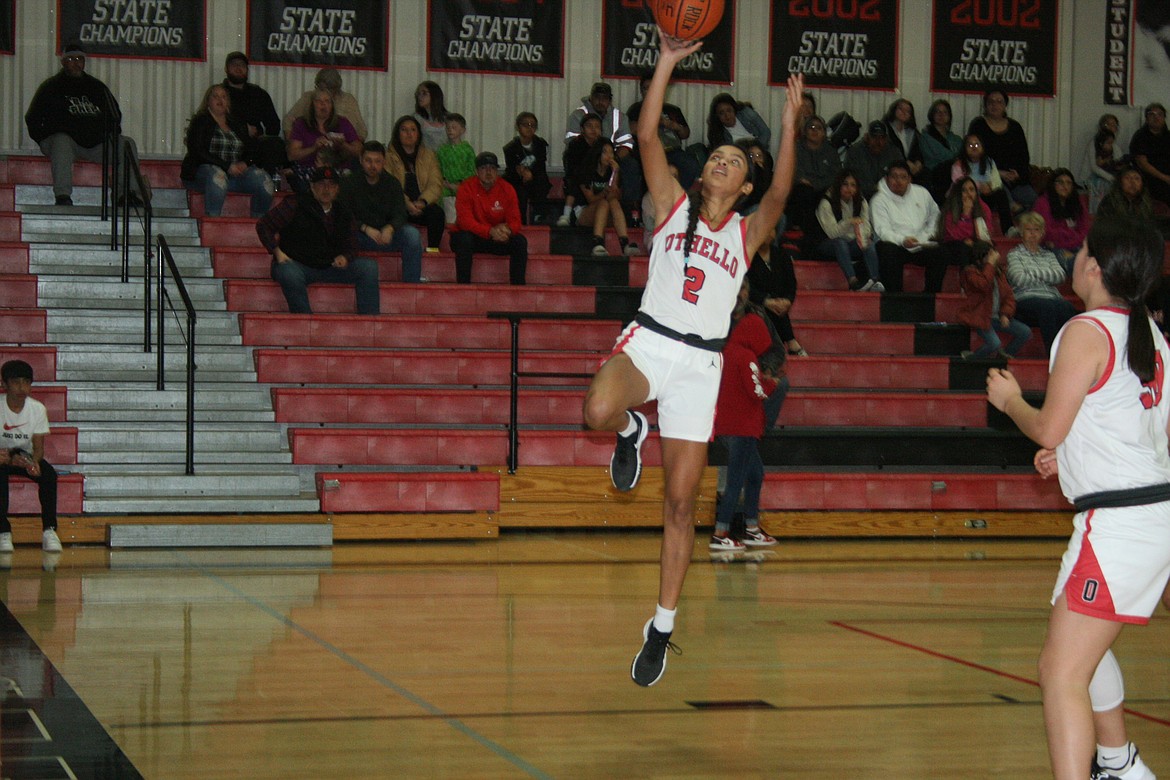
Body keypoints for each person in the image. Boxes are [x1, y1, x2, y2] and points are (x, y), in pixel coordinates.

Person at [580, 30, 802, 687]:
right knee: (596, 409)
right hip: (650, 340)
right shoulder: (674, 207)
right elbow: (647, 136)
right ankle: (631, 428)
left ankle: (662, 627)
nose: (723, 161)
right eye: (719, 155)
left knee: (680, 506)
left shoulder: (746, 230)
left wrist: (790, 126)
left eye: (735, 161)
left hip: (701, 367)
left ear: (745, 182)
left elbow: (784, 195)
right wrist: (667, 62)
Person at [986, 216, 1168, 780]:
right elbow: (1130, 426)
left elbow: (1046, 427)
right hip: (1146, 512)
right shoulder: (1151, 336)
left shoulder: (1086, 329)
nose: (1075, 255)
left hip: (1120, 525)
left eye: (1082, 248)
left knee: (1059, 672)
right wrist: (1071, 458)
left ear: (1094, 266)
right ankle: (1119, 763)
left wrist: (1011, 400)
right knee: (1084, 646)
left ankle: (1104, 769)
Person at [709, 279, 781, 551]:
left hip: (731, 425)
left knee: (755, 474)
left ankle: (751, 527)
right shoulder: (745, 355)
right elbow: (757, 391)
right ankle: (721, 532)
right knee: (737, 478)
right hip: (742, 427)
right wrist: (771, 382)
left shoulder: (728, 351)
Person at [24, 42, 142, 207]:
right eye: (71, 59)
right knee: (61, 140)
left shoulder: (97, 87)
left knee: (127, 144)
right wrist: (45, 136)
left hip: (94, 145)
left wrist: (106, 134)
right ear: (63, 62)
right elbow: (33, 118)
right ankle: (63, 196)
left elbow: (115, 116)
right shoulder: (50, 87)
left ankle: (126, 196)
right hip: (65, 144)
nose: (76, 62)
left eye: (80, 59)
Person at [256, 166, 379, 315]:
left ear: (337, 189)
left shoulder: (344, 212)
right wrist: (276, 251)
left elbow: (352, 244)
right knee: (288, 272)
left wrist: (346, 257)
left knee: (368, 267)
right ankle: (305, 322)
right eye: (321, 185)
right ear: (312, 187)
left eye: (331, 185)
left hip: (330, 266)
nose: (326, 189)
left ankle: (369, 322)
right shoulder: (295, 204)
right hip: (297, 264)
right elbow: (264, 225)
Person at [180, 84, 274, 218]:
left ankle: (258, 222)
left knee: (265, 182)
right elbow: (197, 151)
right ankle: (213, 220)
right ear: (208, 101)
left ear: (228, 102)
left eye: (224, 97)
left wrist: (246, 163)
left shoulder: (237, 123)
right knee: (218, 176)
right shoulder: (200, 121)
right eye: (215, 96)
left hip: (234, 174)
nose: (220, 100)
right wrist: (226, 166)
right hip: (203, 173)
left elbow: (252, 149)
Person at [338, 141, 424, 284]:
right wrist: (365, 228)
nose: (373, 166)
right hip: (359, 236)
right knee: (342, 233)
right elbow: (343, 214)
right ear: (361, 160)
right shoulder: (348, 183)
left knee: (412, 235)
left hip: (386, 235)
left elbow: (401, 213)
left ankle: (411, 284)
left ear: (384, 162)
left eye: (377, 161)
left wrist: (390, 228)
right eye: (368, 161)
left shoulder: (392, 183)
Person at [0, 360, 60, 554]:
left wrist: (34, 462)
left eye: (26, 382)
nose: (21, 388)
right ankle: (3, 532)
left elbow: (39, 447)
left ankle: (49, 530)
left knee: (49, 475)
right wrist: (6, 458)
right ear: (4, 384)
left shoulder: (37, 409)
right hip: (1, 455)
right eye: (16, 382)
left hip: (23, 455)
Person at [1006, 211, 1076, 356]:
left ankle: (1070, 354)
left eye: (1036, 230)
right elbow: (1019, 278)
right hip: (1024, 300)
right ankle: (1053, 355)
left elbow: (1060, 276)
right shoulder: (1014, 254)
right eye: (1028, 230)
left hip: (1051, 298)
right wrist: (1046, 275)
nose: (1033, 234)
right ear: (1021, 232)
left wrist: (1032, 272)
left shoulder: (1049, 255)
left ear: (1042, 233)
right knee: (1047, 307)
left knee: (1067, 307)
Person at [451, 152, 527, 285]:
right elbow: (464, 222)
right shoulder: (466, 188)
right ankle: (463, 287)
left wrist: (507, 230)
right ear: (476, 171)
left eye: (492, 168)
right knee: (464, 239)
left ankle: (518, 288)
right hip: (473, 236)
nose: (488, 172)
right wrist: (489, 231)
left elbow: (515, 221)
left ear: (497, 171)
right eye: (484, 168)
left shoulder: (507, 189)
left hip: (496, 237)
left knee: (520, 241)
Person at [871, 161, 947, 293]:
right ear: (887, 178)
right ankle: (895, 298)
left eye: (903, 177)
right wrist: (903, 240)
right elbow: (882, 230)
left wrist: (926, 236)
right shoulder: (878, 200)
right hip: (895, 244)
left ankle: (930, 297)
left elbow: (935, 215)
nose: (898, 181)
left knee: (941, 253)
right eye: (894, 176)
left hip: (921, 242)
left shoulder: (922, 193)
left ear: (909, 179)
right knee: (887, 250)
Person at [565, 82, 638, 215]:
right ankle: (576, 208)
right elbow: (573, 144)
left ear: (610, 100)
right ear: (590, 98)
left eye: (604, 98)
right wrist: (595, 158)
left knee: (631, 165)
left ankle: (630, 210)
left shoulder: (620, 117)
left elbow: (626, 146)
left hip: (611, 158)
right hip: (585, 157)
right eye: (597, 97)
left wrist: (611, 159)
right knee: (576, 162)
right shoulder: (578, 115)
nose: (600, 101)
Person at [809, 169, 882, 292]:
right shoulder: (826, 203)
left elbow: (867, 226)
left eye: (853, 185)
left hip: (852, 242)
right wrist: (849, 222)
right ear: (838, 185)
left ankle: (875, 280)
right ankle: (853, 281)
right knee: (840, 242)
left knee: (870, 242)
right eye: (845, 184)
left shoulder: (861, 201)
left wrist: (863, 238)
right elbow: (832, 233)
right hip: (827, 243)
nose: (849, 188)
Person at [627, 72, 702, 190]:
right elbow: (631, 129)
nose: (649, 91)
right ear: (641, 92)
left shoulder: (673, 109)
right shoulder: (636, 109)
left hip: (673, 151)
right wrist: (656, 122)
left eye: (653, 88)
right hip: (648, 151)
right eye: (646, 88)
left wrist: (674, 126)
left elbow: (685, 134)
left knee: (691, 164)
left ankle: (679, 198)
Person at [957, 242, 1031, 359]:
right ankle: (971, 358)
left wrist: (1005, 314)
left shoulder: (999, 273)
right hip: (980, 317)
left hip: (996, 317)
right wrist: (990, 265)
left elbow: (1009, 297)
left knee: (1025, 332)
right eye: (989, 256)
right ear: (979, 259)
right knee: (994, 343)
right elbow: (983, 285)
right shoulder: (970, 273)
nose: (993, 258)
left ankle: (1004, 355)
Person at [385, 116, 446, 252]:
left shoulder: (429, 155)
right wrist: (407, 204)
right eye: (404, 130)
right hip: (400, 206)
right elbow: (390, 185)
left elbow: (436, 184)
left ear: (418, 134)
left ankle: (432, 250)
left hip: (422, 205)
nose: (409, 133)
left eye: (413, 130)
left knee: (437, 213)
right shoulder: (388, 157)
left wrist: (423, 202)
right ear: (397, 134)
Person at [220, 51, 285, 177]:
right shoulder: (219, 94)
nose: (239, 68)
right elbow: (214, 121)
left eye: (242, 65)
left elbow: (273, 124)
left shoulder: (258, 94)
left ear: (247, 69)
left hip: (253, 145)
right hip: (227, 141)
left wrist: (263, 138)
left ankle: (268, 183)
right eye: (234, 65)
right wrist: (243, 129)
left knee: (275, 144)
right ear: (226, 69)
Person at [968, 88, 1035, 208]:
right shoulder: (978, 125)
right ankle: (1013, 213)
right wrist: (998, 173)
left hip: (1015, 179)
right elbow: (973, 155)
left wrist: (1017, 174)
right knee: (1003, 197)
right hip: (988, 176)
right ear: (985, 105)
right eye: (991, 102)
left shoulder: (1015, 127)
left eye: (999, 101)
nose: (995, 105)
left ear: (1005, 105)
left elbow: (1024, 156)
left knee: (1032, 199)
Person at [285, 89, 361, 190]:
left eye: (327, 101)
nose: (323, 105)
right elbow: (292, 155)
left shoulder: (343, 122)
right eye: (319, 101)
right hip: (309, 170)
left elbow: (359, 150)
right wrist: (314, 148)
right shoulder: (301, 124)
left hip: (338, 170)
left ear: (332, 105)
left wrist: (343, 145)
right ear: (312, 105)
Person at [747, 226, 806, 356]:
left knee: (778, 304)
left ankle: (788, 342)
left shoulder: (781, 255)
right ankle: (790, 341)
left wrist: (787, 301)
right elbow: (745, 287)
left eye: (770, 230)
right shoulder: (747, 257)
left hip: (778, 305)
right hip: (754, 304)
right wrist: (766, 301)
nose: (767, 234)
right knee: (767, 306)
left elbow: (791, 283)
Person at [576, 140, 638, 257]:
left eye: (611, 152)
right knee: (604, 203)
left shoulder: (612, 172)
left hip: (605, 213)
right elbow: (590, 199)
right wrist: (604, 192)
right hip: (585, 211)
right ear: (597, 153)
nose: (609, 156)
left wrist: (616, 173)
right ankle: (597, 243)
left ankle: (625, 244)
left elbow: (615, 196)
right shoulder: (586, 171)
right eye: (605, 152)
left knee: (613, 202)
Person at [952, 133, 1013, 234]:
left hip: (985, 196)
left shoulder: (989, 162)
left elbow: (997, 181)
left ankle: (1008, 229)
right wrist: (979, 186)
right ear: (964, 148)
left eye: (977, 145)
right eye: (970, 145)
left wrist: (990, 187)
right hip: (965, 197)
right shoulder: (958, 164)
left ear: (982, 147)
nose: (974, 148)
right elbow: (959, 182)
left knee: (1001, 193)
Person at [283, 68, 367, 141]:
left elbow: (362, 131)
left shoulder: (349, 100)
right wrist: (294, 144)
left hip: (340, 152)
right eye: (321, 89)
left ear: (337, 88)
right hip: (310, 149)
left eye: (330, 91)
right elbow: (288, 122)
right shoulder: (308, 98)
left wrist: (350, 147)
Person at [788, 115, 840, 231]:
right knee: (803, 191)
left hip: (823, 189)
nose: (814, 130)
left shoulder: (831, 152)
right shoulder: (796, 148)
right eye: (811, 127)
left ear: (824, 133)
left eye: (819, 128)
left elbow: (835, 175)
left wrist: (816, 184)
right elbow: (795, 171)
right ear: (805, 132)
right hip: (802, 190)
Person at [1033, 168, 1090, 271]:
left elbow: (1085, 231)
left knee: (1096, 261)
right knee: (1078, 264)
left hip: (1075, 245)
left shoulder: (1078, 203)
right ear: (1053, 184)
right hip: (1051, 248)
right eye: (1061, 182)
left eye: (1069, 183)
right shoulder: (1042, 203)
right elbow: (1045, 232)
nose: (1065, 186)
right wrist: (1071, 236)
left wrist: (1070, 240)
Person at [502, 112, 551, 225]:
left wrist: (530, 174)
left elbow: (540, 166)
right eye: (525, 125)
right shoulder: (510, 148)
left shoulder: (540, 144)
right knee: (519, 193)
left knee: (542, 183)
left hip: (536, 179)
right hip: (518, 181)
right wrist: (521, 173)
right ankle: (520, 222)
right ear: (518, 127)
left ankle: (540, 217)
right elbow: (511, 169)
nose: (529, 128)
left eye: (532, 125)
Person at [556, 113, 603, 226]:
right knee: (575, 182)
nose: (593, 129)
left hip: (595, 177)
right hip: (579, 177)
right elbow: (573, 168)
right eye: (589, 126)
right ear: (582, 129)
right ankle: (566, 215)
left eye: (597, 126)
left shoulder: (602, 145)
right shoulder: (575, 145)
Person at [938, 176, 993, 272]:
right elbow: (955, 235)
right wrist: (966, 214)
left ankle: (984, 281)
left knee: (987, 248)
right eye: (964, 191)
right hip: (953, 247)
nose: (969, 194)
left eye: (972, 190)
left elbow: (986, 232)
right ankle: (969, 278)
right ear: (958, 193)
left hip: (975, 244)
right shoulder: (950, 209)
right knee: (964, 247)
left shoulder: (983, 208)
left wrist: (973, 242)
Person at [435, 113, 476, 222]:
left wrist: (460, 185)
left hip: (462, 185)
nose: (450, 130)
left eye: (454, 127)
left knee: (466, 200)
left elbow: (471, 170)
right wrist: (443, 181)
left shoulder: (467, 150)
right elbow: (438, 167)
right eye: (448, 128)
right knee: (441, 199)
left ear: (462, 130)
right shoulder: (442, 150)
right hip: (445, 185)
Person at [844, 121, 902, 199]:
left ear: (886, 139)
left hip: (889, 199)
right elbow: (848, 179)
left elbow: (901, 177)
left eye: (882, 138)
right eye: (875, 137)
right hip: (860, 199)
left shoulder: (894, 153)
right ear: (867, 137)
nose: (878, 142)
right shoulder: (854, 152)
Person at [1129, 102, 1170, 208]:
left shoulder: (1168, 136)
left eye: (1160, 114)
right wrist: (1165, 178)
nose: (1156, 117)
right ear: (1146, 118)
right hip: (1149, 179)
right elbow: (1142, 163)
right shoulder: (1140, 136)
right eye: (1152, 114)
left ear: (1164, 118)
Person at [921, 99, 964, 198]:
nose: (941, 115)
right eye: (937, 111)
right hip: (935, 176)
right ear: (932, 115)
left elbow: (964, 156)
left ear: (949, 116)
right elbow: (935, 156)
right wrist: (954, 159)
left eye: (945, 112)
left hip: (956, 175)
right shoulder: (925, 137)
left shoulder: (956, 139)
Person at [705, 92, 771, 152]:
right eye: (721, 113)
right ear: (717, 116)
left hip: (759, 152)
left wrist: (755, 150)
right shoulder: (718, 133)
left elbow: (766, 132)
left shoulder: (747, 113)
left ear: (734, 108)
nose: (727, 115)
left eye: (729, 110)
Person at [882, 98, 925, 181]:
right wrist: (906, 163)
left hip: (911, 168)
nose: (904, 112)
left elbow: (919, 151)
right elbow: (889, 151)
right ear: (894, 110)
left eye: (908, 111)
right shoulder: (885, 129)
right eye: (900, 109)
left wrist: (918, 163)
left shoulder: (913, 132)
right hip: (892, 166)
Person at [413, 81, 451, 150]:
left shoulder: (449, 118)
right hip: (426, 159)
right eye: (418, 94)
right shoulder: (417, 119)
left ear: (434, 95)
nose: (420, 97)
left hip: (447, 158)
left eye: (424, 93)